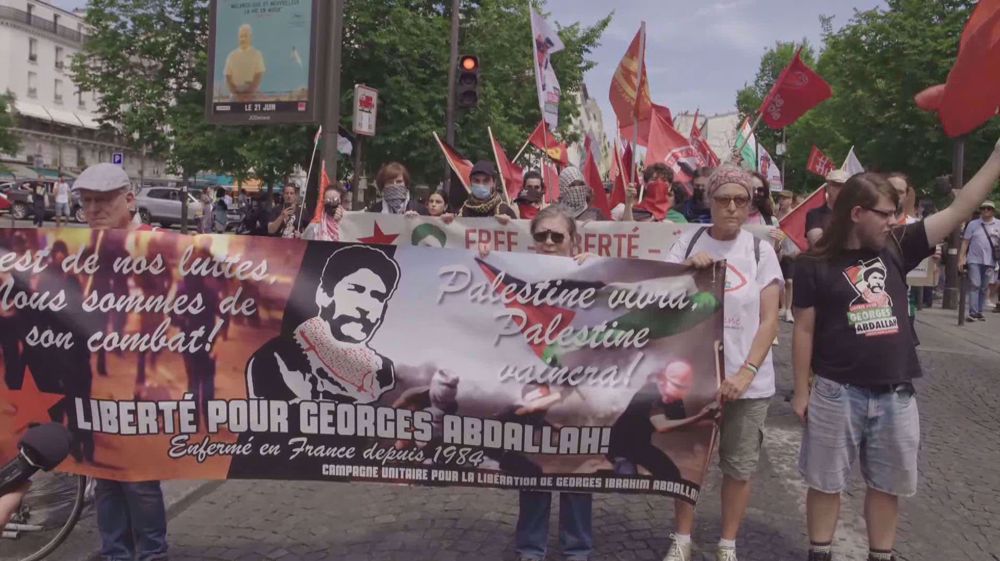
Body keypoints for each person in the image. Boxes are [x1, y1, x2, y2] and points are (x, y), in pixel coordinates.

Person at [791, 140, 1000, 561]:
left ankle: (880, 555)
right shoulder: (814, 263)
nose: (894, 220)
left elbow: (961, 209)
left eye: (895, 213)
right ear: (857, 213)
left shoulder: (900, 245)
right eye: (885, 214)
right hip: (836, 391)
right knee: (825, 482)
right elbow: (804, 330)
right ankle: (820, 552)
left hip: (896, 394)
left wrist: (997, 159)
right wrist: (801, 389)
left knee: (888, 487)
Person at [663, 165, 783, 561]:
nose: (732, 207)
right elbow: (659, 299)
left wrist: (746, 372)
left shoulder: (760, 250)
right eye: (723, 199)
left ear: (750, 205)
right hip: (694, 378)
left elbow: (769, 320)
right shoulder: (686, 242)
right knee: (688, 463)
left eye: (740, 200)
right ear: (708, 202)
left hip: (746, 382)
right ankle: (681, 539)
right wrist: (685, 273)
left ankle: (727, 544)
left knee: (739, 467)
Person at [478, 205, 595, 561]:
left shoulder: (590, 271)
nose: (548, 242)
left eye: (556, 236)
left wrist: (599, 265)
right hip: (530, 390)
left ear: (573, 241)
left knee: (576, 472)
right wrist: (477, 259)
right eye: (541, 236)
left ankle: (578, 550)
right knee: (533, 470)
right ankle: (530, 550)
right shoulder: (519, 275)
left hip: (576, 393)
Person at [72, 162, 169, 561]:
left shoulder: (162, 245)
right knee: (105, 480)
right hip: (95, 382)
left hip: (145, 384)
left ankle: (151, 553)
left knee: (140, 481)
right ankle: (115, 553)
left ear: (129, 200)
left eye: (103, 201)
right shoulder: (80, 248)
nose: (93, 210)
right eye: (87, 202)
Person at [246, 245, 400, 403]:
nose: (365, 306)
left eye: (378, 297)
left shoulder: (385, 375)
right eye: (355, 290)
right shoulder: (278, 358)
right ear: (324, 295)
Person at [959, 199, 999, 321]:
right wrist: (961, 258)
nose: (985, 210)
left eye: (988, 208)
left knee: (984, 287)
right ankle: (973, 312)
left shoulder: (998, 224)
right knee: (975, 285)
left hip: (990, 261)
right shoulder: (973, 224)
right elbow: (965, 242)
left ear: (993, 211)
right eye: (983, 208)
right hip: (974, 260)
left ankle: (980, 311)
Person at [618, 163, 685, 223]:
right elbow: (628, 230)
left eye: (664, 180)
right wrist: (628, 203)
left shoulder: (678, 218)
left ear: (670, 186)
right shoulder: (635, 212)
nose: (659, 183)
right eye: (654, 179)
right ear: (646, 184)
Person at [805, 169, 849, 248]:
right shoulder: (815, 214)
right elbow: (818, 245)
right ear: (828, 188)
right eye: (837, 185)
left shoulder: (853, 214)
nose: (842, 190)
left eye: (845, 186)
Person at [224, 23, 266, 101]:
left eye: (245, 36)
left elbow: (258, 76)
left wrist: (248, 93)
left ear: (250, 37)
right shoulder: (231, 56)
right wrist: (237, 94)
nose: (243, 39)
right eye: (241, 36)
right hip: (235, 95)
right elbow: (228, 77)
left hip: (252, 94)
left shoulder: (256, 54)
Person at [775, 190, 799, 323]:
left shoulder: (794, 215)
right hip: (778, 251)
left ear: (790, 200)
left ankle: (789, 309)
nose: (782, 201)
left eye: (785, 199)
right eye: (780, 198)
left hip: (791, 252)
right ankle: (783, 307)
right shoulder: (777, 215)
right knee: (779, 280)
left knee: (789, 281)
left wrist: (798, 250)